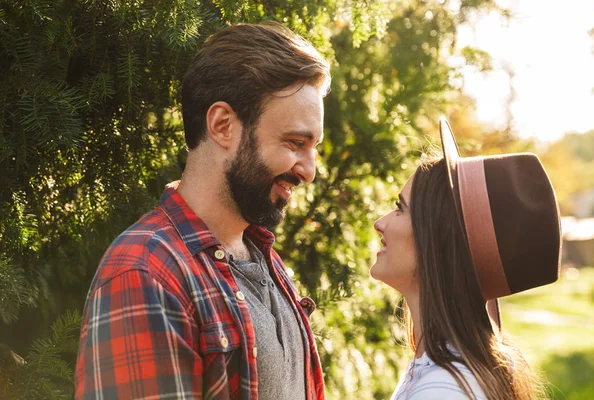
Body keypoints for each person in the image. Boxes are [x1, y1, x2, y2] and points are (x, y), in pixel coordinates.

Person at [75, 22, 330, 400]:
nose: (309, 171)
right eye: (295, 142)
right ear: (223, 125)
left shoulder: (265, 261)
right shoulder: (146, 273)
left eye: (315, 147)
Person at [371, 117, 561, 400]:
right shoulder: (446, 372)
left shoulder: (442, 390)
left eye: (400, 208)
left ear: (436, 238)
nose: (380, 222)